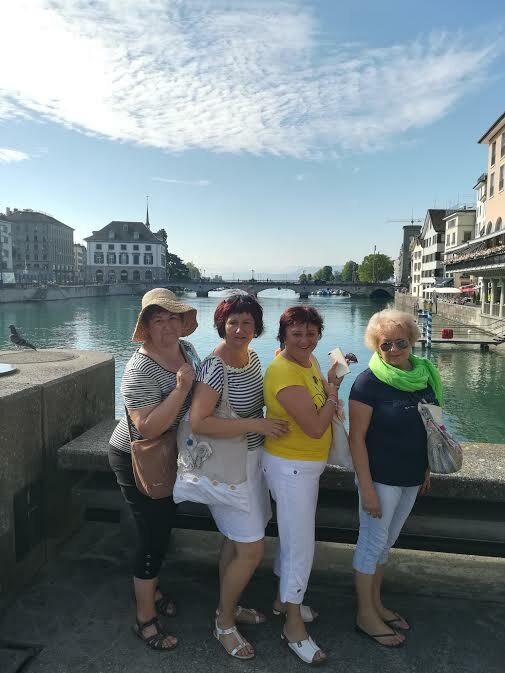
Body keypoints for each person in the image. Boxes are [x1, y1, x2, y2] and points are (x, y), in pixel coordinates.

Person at [189, 293, 288, 661]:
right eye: (233, 322)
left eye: (247, 323)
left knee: (234, 542)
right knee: (251, 548)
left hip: (252, 461)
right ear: (222, 325)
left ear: (256, 327)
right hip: (228, 469)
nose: (240, 329)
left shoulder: (252, 357)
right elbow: (199, 422)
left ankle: (228, 605)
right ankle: (224, 623)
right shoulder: (215, 366)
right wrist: (256, 424)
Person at [108, 288, 200, 651]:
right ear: (146, 327)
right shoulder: (138, 369)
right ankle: (144, 620)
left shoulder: (186, 349)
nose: (168, 326)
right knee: (153, 536)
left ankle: (153, 589)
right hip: (138, 457)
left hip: (171, 452)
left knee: (162, 525)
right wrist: (180, 390)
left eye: (173, 318)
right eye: (158, 320)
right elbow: (147, 427)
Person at [348, 308, 443, 647]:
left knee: (385, 544)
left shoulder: (425, 375)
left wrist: (426, 467)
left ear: (412, 341)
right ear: (376, 346)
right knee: (371, 543)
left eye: (400, 342)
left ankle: (376, 604)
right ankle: (365, 615)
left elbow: (430, 426)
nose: (394, 349)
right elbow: (356, 439)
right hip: (381, 478)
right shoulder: (368, 383)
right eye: (385, 344)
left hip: (411, 475)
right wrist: (367, 488)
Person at [262, 305, 340, 665]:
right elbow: (315, 427)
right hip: (291, 468)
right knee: (300, 547)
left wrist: (330, 385)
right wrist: (334, 396)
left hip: (304, 467)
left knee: (292, 539)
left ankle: (283, 601)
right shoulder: (284, 371)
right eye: (296, 334)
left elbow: (318, 403)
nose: (305, 340)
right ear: (283, 337)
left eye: (311, 333)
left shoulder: (308, 363)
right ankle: (293, 625)